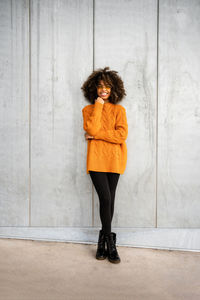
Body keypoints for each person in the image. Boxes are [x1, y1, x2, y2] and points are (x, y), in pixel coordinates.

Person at [81, 66, 128, 264]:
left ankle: (103, 241)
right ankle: (110, 243)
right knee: (106, 199)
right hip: (96, 160)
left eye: (107, 86)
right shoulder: (88, 110)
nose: (104, 90)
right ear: (94, 89)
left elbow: (121, 135)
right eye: (100, 86)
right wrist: (98, 106)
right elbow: (91, 127)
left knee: (110, 201)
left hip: (115, 159)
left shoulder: (119, 110)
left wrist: (97, 135)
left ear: (113, 88)